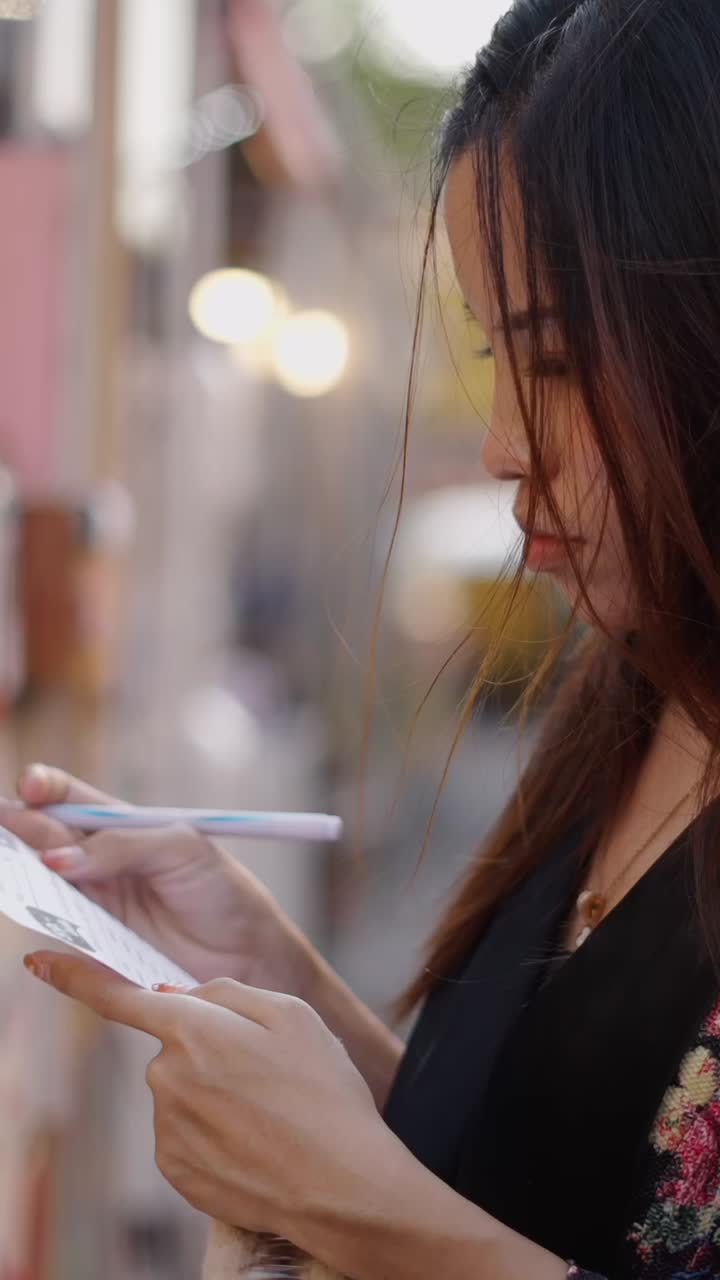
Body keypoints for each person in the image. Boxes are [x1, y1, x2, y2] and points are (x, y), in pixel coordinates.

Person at [6, 0, 720, 1275]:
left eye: (553, 361)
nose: (502, 441)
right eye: (497, 355)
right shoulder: (634, 692)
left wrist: (345, 1207)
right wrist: (293, 996)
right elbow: (534, 1176)